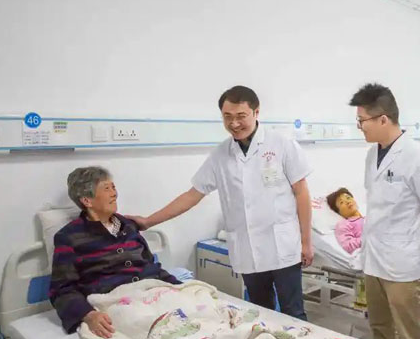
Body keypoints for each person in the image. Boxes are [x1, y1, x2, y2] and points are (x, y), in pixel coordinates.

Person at [131, 86, 313, 321]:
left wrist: (306, 241)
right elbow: (192, 195)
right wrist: (148, 221)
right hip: (247, 248)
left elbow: (301, 193)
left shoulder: (282, 145)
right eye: (227, 117)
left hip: (283, 245)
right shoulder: (220, 155)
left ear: (256, 112)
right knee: (261, 313)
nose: (234, 123)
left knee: (294, 313)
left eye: (241, 116)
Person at [349, 83, 420, 339]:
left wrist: (407, 234)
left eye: (362, 121)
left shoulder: (416, 156)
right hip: (374, 260)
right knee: (380, 330)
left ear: (383, 119)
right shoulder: (372, 155)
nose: (359, 127)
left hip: (402, 264)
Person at [49, 166, 180, 337]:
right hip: (118, 305)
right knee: (163, 333)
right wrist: (88, 315)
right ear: (87, 201)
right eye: (106, 189)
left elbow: (150, 267)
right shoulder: (69, 237)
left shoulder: (128, 226)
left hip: (152, 293)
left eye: (113, 187)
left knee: (199, 310)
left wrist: (179, 287)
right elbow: (62, 289)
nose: (114, 194)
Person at [326, 187, 363, 253]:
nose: (347, 202)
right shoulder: (343, 224)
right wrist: (371, 238)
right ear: (338, 211)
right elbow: (348, 246)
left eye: (348, 198)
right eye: (341, 202)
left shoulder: (371, 217)